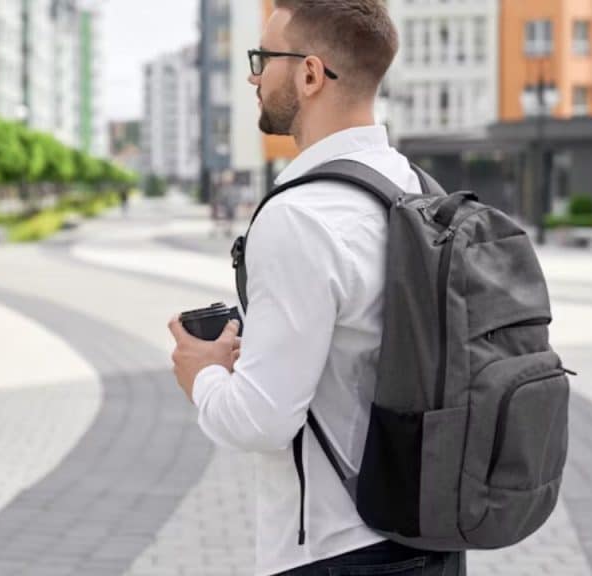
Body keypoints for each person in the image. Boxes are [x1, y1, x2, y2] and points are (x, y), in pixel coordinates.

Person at [168, 1, 466, 575]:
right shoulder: (416, 190)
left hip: (334, 550)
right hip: (429, 537)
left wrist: (200, 372)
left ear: (309, 74)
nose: (254, 76)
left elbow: (260, 420)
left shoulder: (299, 216)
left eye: (263, 59)